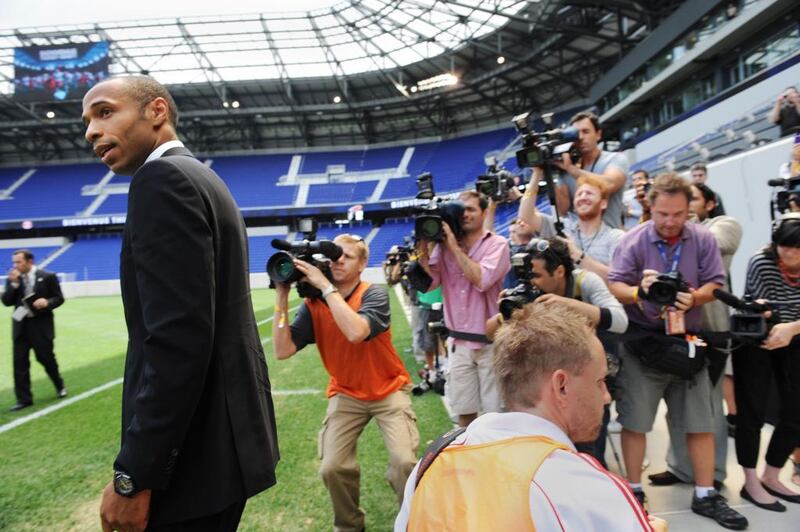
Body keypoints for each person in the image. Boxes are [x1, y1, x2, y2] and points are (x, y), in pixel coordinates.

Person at [82, 76, 279, 532]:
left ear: (156, 111)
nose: (91, 131)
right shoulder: (202, 176)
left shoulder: (161, 180)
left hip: (192, 465)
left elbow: (177, 340)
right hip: (223, 452)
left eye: (105, 112)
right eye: (88, 121)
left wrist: (135, 476)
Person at [395, 303, 666, 532]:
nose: (606, 396)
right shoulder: (584, 484)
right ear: (561, 386)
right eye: (599, 381)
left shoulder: (432, 462)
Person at [608, 173, 748, 529]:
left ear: (690, 210)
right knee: (635, 421)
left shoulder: (701, 238)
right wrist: (641, 292)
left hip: (690, 342)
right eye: (663, 214)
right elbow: (616, 283)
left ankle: (705, 494)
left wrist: (692, 298)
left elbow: (715, 282)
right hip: (644, 342)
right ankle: (634, 492)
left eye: (679, 214)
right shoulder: (634, 240)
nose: (670, 222)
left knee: (702, 423)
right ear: (651, 208)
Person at [272, 234, 419, 532]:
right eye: (333, 258)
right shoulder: (314, 304)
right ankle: (350, 526)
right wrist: (282, 294)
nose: (337, 262)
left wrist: (326, 288)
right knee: (333, 467)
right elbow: (282, 350)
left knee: (404, 463)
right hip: (346, 393)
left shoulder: (373, 293)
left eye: (346, 257)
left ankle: (413, 521)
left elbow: (356, 332)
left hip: (388, 389)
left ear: (363, 263)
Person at [649, 182, 742, 491]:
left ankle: (713, 473)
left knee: (709, 408)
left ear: (709, 203)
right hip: (674, 330)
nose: (682, 210)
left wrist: (674, 226)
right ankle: (680, 467)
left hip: (711, 331)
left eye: (690, 202)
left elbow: (708, 245)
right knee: (677, 405)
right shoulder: (667, 234)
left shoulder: (724, 226)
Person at [417, 190, 510, 427]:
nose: (465, 214)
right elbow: (429, 284)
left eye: (471, 209)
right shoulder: (444, 247)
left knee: (494, 418)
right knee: (464, 416)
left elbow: (482, 280)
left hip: (490, 345)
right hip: (458, 345)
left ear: (484, 212)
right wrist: (423, 250)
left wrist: (453, 247)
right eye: (461, 210)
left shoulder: (497, 244)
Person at [733, 213, 800, 511]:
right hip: (758, 337)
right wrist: (766, 314)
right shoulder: (762, 261)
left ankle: (772, 475)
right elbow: (757, 305)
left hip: (795, 334)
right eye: (785, 247)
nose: (790, 254)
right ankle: (750, 481)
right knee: (752, 411)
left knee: (796, 410)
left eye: (797, 249)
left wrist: (792, 329)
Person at [520, 172, 624, 282]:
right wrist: (536, 174)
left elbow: (618, 279)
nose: (583, 197)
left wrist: (578, 256)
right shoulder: (561, 226)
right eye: (579, 194)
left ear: (603, 204)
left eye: (589, 193)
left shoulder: (616, 237)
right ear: (574, 205)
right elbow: (525, 215)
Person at [2, 249, 66, 411]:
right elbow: (7, 301)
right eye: (14, 262)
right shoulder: (13, 279)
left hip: (40, 326)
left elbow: (59, 298)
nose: (15, 265)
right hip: (20, 325)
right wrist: (14, 285)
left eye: (19, 262)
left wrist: (47, 302)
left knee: (46, 358)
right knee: (20, 363)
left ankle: (59, 385)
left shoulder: (47, 277)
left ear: (29, 262)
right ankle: (24, 399)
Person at [554, 110, 630, 229]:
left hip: (610, 239)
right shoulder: (566, 168)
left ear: (598, 134)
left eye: (586, 132)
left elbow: (609, 184)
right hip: (578, 243)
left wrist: (572, 169)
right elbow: (562, 210)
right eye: (576, 134)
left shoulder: (615, 159)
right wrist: (546, 171)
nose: (580, 137)